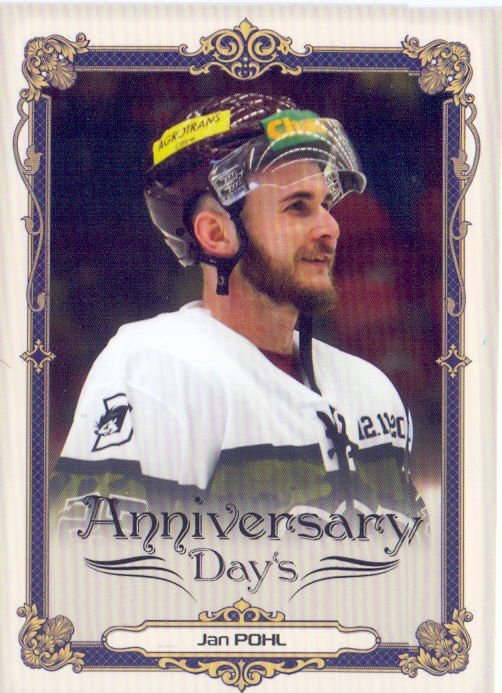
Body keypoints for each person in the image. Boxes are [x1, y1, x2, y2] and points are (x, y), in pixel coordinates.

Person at [51, 93, 426, 522]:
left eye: (325, 204)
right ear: (216, 234)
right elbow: (94, 560)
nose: (331, 226)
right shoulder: (153, 372)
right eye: (298, 206)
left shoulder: (373, 391)